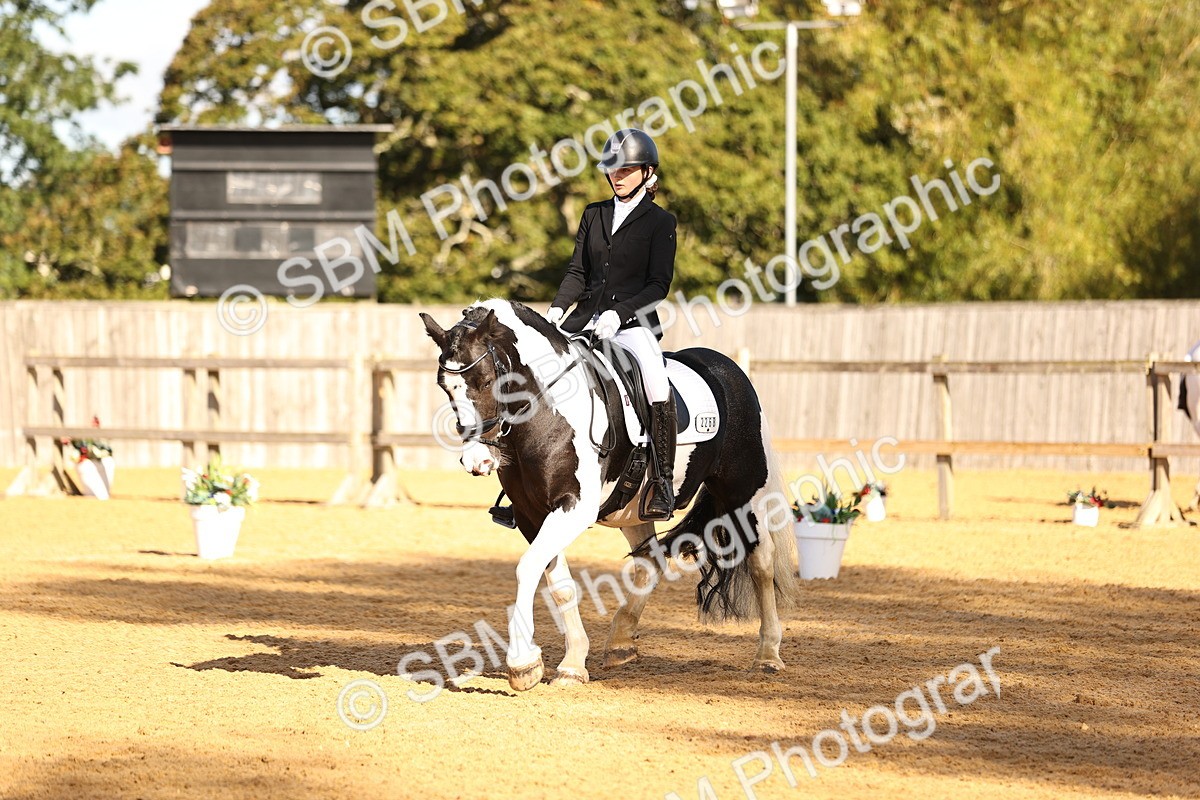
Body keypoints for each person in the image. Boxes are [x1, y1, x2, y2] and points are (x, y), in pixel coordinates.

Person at [546, 129, 677, 519]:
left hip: (633, 324)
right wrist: (556, 312)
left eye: (627, 169)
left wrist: (620, 314)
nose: (617, 175)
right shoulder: (594, 213)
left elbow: (659, 284)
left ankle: (664, 482)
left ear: (648, 172)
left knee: (655, 380)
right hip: (585, 319)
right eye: (612, 169)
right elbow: (577, 272)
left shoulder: (660, 222)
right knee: (542, 372)